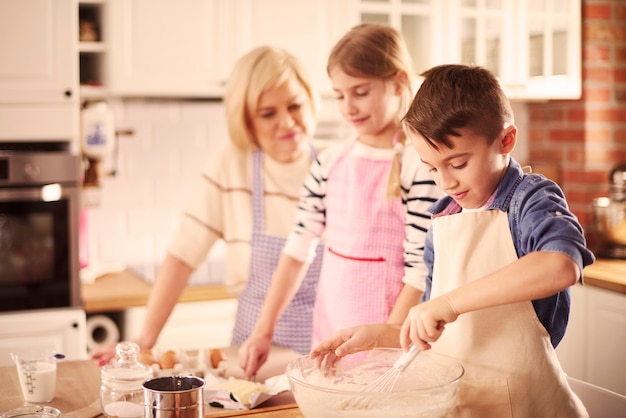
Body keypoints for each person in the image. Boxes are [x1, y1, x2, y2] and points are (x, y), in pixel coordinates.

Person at [311, 64, 596, 417]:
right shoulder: (444, 218)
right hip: (466, 404)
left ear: (505, 140)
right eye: (431, 168)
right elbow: (434, 328)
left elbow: (560, 265)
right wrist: (379, 336)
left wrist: (448, 303)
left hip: (529, 404)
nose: (445, 182)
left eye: (458, 163)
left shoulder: (530, 200)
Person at [91, 45, 325, 364]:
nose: (286, 122)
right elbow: (183, 255)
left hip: (324, 349)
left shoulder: (335, 164)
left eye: (295, 106)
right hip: (252, 353)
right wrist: (146, 338)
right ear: (246, 120)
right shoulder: (232, 166)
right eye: (268, 113)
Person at [238, 24, 443, 379]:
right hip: (331, 334)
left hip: (393, 345)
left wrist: (385, 348)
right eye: (339, 95)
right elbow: (297, 250)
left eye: (360, 92)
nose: (348, 107)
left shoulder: (420, 165)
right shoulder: (329, 162)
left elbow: (420, 272)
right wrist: (263, 333)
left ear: (398, 82)